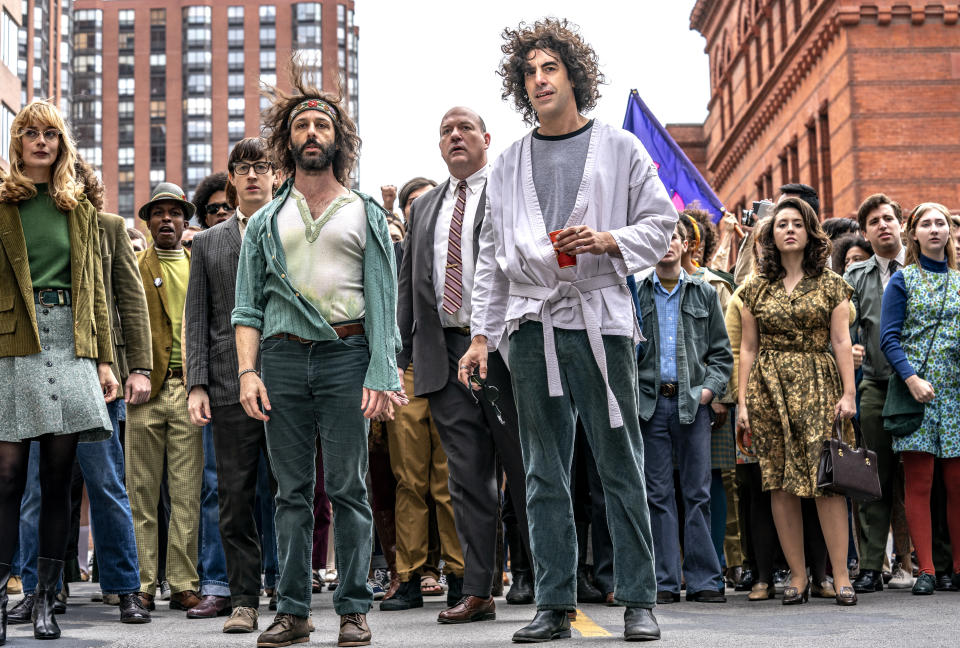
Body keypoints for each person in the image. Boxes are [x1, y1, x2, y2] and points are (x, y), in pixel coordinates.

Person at [459, 18, 677, 642]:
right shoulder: (507, 163)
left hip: (600, 317)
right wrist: (481, 336)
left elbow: (663, 224)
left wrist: (608, 239)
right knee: (541, 466)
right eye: (528, 71)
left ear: (574, 75)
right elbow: (493, 257)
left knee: (619, 460)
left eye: (549, 67)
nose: (538, 79)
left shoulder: (619, 147)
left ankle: (639, 598)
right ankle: (553, 602)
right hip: (531, 327)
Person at [232, 61, 405, 648]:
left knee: (350, 488)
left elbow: (384, 298)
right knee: (291, 492)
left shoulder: (365, 211)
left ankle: (353, 609)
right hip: (279, 360)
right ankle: (294, 611)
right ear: (288, 139)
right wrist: (247, 372)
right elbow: (246, 307)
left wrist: (382, 370)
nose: (311, 133)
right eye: (302, 125)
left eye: (322, 126)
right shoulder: (264, 221)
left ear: (338, 141)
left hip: (345, 356)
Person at [395, 106, 532, 622]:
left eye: (464, 128)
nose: (454, 136)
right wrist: (405, 353)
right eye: (446, 131)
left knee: (525, 469)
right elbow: (411, 280)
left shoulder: (509, 188)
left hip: (504, 351)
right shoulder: (424, 206)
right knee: (467, 479)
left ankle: (549, 577)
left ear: (486, 138)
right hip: (444, 355)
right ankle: (477, 591)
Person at [0, 99, 119, 642]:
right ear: (18, 142)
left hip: (70, 345)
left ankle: (47, 599)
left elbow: (94, 293)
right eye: (31, 133)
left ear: (61, 143)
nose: (41, 142)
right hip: (11, 345)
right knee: (4, 480)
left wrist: (104, 360)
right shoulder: (1, 203)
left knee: (57, 482)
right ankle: (6, 593)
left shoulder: (81, 210)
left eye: (51, 133)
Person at [737, 197, 859, 606]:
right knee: (779, 482)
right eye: (780, 224)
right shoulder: (755, 288)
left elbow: (842, 340)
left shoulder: (831, 283)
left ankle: (841, 576)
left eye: (797, 223)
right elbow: (748, 350)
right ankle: (798, 576)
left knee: (828, 481)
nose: (788, 229)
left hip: (819, 383)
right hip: (769, 389)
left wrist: (848, 392)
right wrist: (742, 404)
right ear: (770, 235)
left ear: (810, 232)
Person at [185, 138, 279, 632]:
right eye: (243, 168)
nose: (252, 176)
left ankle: (288, 591)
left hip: (288, 383)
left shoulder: (293, 230)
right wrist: (196, 384)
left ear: (275, 175)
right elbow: (196, 316)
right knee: (234, 495)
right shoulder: (208, 243)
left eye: (261, 167)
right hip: (225, 384)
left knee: (292, 492)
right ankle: (242, 598)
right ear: (230, 178)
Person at [636, 219, 733, 604]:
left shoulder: (704, 293)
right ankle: (664, 581)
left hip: (693, 404)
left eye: (673, 237)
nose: (666, 245)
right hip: (650, 404)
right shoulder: (637, 292)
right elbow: (626, 350)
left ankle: (705, 580)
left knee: (698, 493)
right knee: (657, 494)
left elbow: (721, 354)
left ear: (685, 245)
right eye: (659, 239)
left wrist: (708, 392)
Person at [126, 182, 204, 615]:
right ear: (149, 221)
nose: (167, 220)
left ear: (185, 220)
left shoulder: (198, 266)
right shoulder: (135, 265)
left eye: (175, 213)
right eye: (159, 213)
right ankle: (140, 583)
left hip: (188, 390)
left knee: (186, 493)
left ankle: (182, 584)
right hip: (144, 392)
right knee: (140, 493)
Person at [879, 202, 960, 595]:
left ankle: (957, 567)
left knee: (957, 483)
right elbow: (888, 339)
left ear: (949, 232)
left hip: (955, 394)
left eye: (940, 223)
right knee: (920, 482)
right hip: (918, 394)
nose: (933, 230)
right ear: (913, 234)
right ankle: (925, 568)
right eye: (925, 224)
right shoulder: (903, 280)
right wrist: (911, 379)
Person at [844, 193, 914, 593]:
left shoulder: (924, 267)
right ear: (866, 233)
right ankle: (871, 566)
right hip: (874, 384)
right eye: (874, 222)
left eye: (888, 218)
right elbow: (843, 332)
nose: (883, 225)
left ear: (900, 223)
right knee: (874, 477)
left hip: (922, 386)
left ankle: (937, 563)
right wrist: (849, 348)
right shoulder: (855, 277)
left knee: (926, 478)